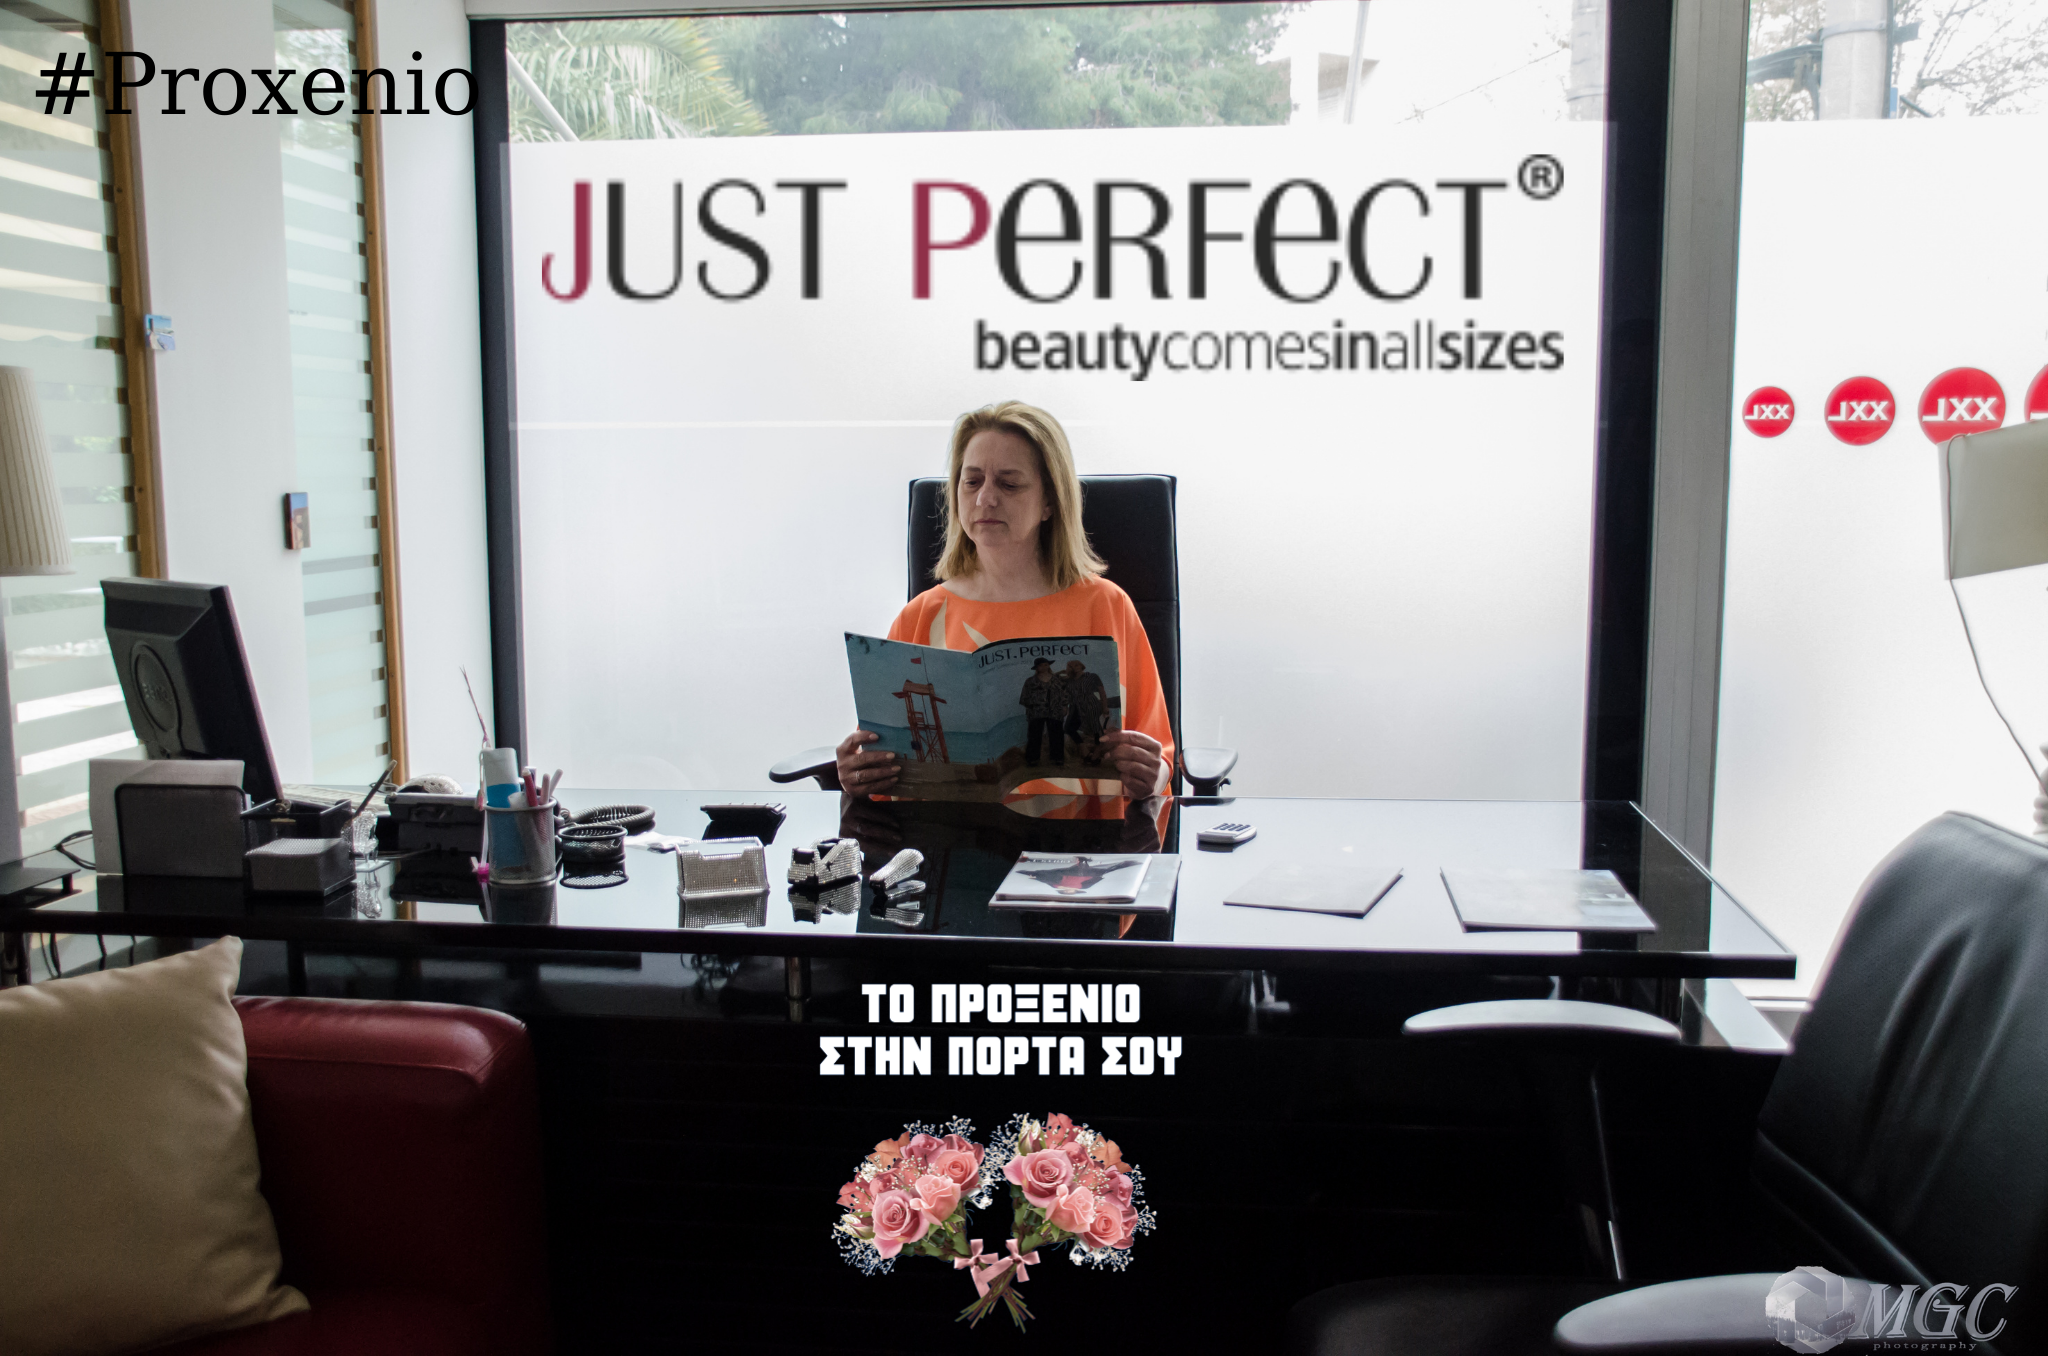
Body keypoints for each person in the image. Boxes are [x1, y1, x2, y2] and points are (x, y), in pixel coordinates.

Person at [836, 400, 1174, 800]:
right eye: (972, 481)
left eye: (1009, 484)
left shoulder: (1106, 605)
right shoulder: (920, 615)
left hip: (1083, 837)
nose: (985, 499)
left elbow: (1160, 758)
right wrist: (858, 775)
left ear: (1050, 502)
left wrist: (1152, 774)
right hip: (948, 834)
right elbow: (885, 768)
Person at [1020, 657, 1069, 766]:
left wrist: (1065, 706)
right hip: (1036, 712)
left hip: (1055, 711)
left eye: (1046, 664)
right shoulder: (1030, 681)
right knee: (1034, 735)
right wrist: (1033, 705)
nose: (1044, 667)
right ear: (1037, 668)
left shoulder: (1058, 680)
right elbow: (1024, 698)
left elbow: (1064, 694)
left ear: (1049, 666)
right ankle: (1032, 759)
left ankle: (1057, 758)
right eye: (1041, 665)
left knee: (1056, 734)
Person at [1060, 658, 1108, 764]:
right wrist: (1062, 672)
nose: (1075, 667)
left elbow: (1102, 692)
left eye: (1077, 665)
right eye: (1071, 666)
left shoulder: (1091, 676)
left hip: (1090, 705)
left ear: (1081, 665)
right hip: (1075, 706)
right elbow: (1054, 678)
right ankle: (1086, 753)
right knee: (1069, 728)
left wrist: (1105, 707)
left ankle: (1095, 756)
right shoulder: (1068, 680)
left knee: (1096, 730)